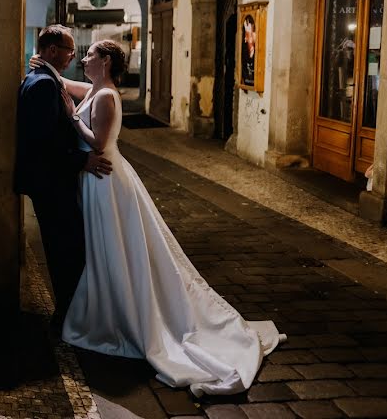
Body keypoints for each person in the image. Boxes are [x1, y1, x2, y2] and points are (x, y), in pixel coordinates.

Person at [41, 39, 285, 397]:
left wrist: (72, 115)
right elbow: (69, 86)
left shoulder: (107, 97)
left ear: (105, 62)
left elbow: (98, 143)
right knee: (111, 248)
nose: (84, 58)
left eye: (90, 53)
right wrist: (48, 69)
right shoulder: (97, 88)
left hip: (105, 181)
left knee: (116, 247)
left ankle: (129, 312)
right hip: (97, 182)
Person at [14, 24, 112, 334]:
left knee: (63, 250)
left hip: (49, 181)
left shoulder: (42, 78)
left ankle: (70, 314)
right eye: (70, 51)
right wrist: (82, 159)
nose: (73, 57)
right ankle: (69, 318)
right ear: (53, 51)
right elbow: (44, 143)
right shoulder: (42, 84)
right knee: (64, 252)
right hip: (51, 182)